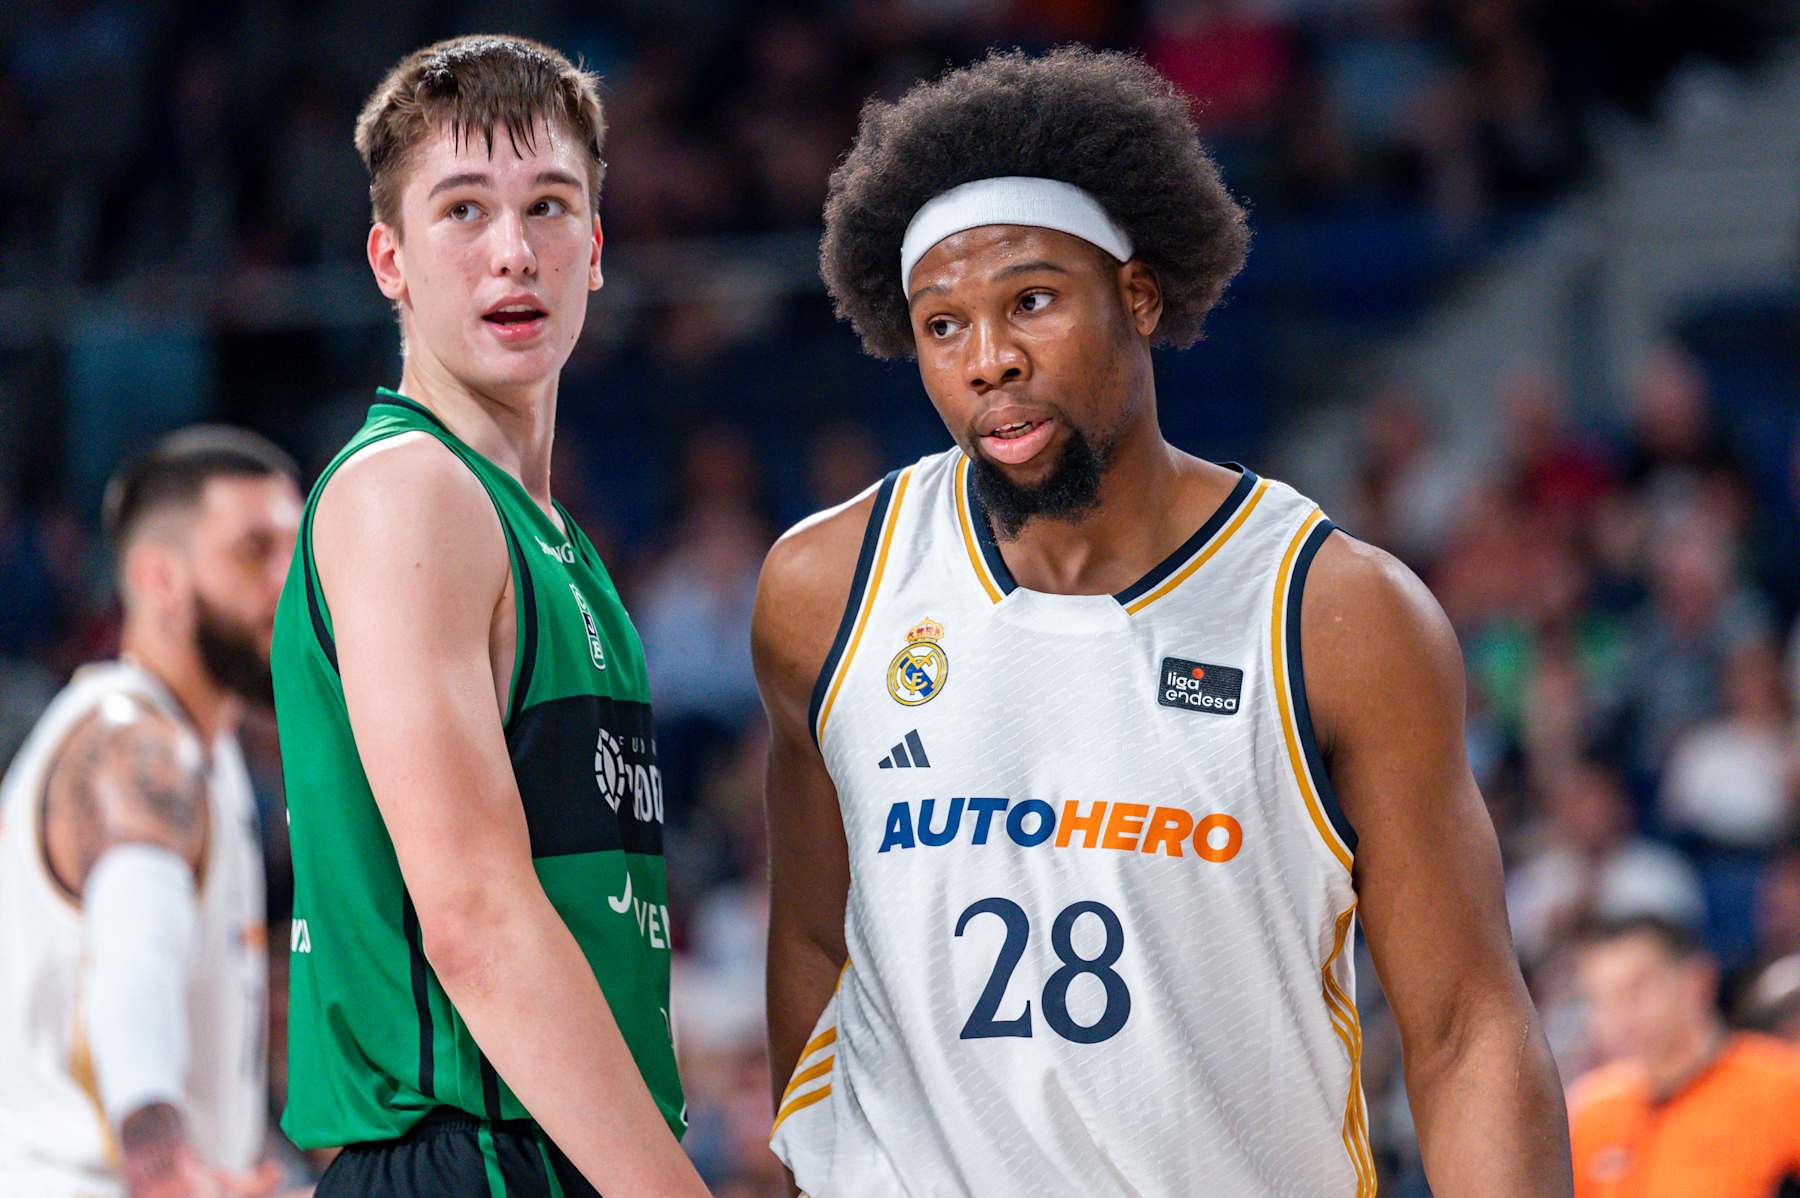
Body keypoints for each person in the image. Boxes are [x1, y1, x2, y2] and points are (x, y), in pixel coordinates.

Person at [753, 47, 1571, 1195]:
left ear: (1137, 293)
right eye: (944, 325)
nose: (990, 360)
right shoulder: (823, 588)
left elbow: (1463, 1026)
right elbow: (811, 945)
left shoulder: (1338, 613)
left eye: (1030, 301)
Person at [271, 35, 706, 1198]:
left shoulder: (551, 536)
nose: (514, 253)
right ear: (388, 260)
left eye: (549, 206)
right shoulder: (408, 491)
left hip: (550, 1149)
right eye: (462, 211)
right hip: (469, 1156)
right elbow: (471, 918)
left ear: (598, 249)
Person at [0, 427, 302, 1198]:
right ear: (158, 578)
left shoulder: (206, 748)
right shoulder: (138, 746)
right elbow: (135, 957)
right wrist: (160, 1161)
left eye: (297, 551)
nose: (291, 581)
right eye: (253, 552)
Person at [1568, 915, 1800, 1197]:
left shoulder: (1783, 1086)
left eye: (1636, 989)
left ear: (1696, 980)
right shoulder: (1592, 1111)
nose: (1618, 1014)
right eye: (1600, 998)